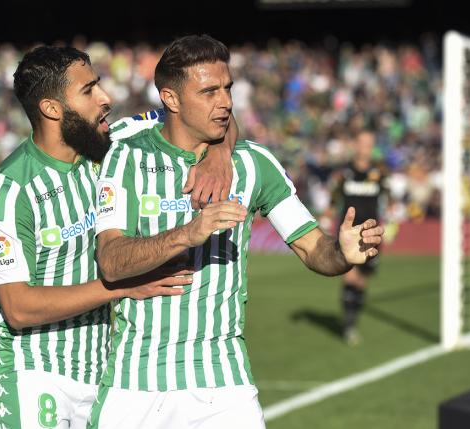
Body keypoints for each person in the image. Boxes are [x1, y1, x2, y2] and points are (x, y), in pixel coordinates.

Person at [90, 34, 384, 429]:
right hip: (135, 383)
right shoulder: (127, 156)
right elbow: (110, 261)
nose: (225, 101)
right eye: (209, 91)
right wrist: (187, 233)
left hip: (223, 384)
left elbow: (314, 248)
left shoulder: (254, 163)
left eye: (227, 88)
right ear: (171, 99)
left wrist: (342, 253)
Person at [0, 45, 235, 429]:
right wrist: (121, 286)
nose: (106, 98)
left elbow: (214, 119)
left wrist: (218, 154)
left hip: (101, 372)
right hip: (30, 368)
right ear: (51, 109)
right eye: (88, 90)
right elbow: (18, 308)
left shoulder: (115, 143)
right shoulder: (10, 188)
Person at [331, 129, 389, 345]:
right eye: (363, 142)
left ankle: (352, 320)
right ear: (356, 145)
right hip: (349, 234)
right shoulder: (345, 173)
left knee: (362, 280)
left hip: (371, 234)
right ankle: (348, 326)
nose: (366, 147)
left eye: (370, 143)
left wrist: (391, 222)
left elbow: (388, 198)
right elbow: (333, 197)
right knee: (350, 276)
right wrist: (328, 215)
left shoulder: (379, 173)